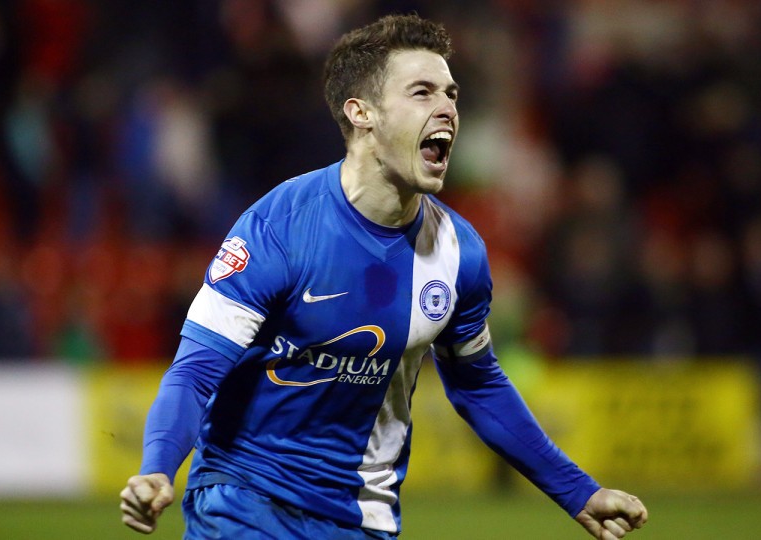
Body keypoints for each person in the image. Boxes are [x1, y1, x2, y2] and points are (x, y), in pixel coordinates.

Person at [119, 13, 648, 540]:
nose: (447, 108)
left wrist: (578, 492)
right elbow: (195, 371)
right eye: (422, 92)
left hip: (363, 520)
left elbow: (479, 385)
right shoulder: (276, 228)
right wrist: (157, 468)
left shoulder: (458, 253)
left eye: (452, 94)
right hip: (244, 503)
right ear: (362, 113)